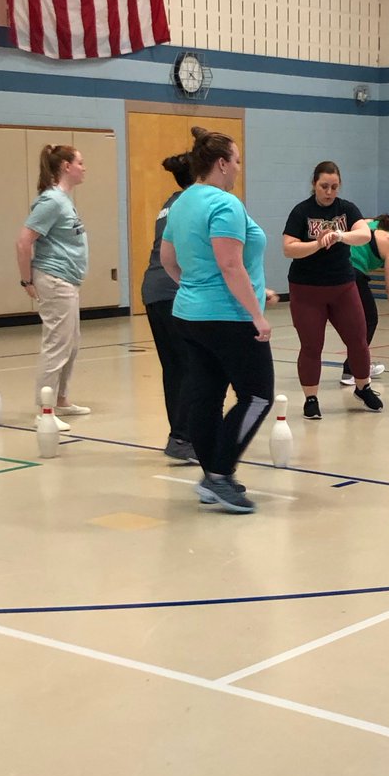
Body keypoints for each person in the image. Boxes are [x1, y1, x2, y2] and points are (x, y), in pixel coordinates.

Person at [160, 127, 275, 514]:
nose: (240, 169)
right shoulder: (225, 205)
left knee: (206, 396)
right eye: (237, 161)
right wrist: (256, 314)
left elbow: (168, 260)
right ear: (222, 163)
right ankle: (220, 475)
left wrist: (196, 289)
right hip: (230, 318)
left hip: (191, 315)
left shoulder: (181, 203)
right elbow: (229, 263)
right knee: (258, 395)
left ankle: (213, 475)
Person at [282, 161, 383, 418]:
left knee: (358, 340)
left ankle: (363, 386)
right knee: (312, 345)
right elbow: (288, 248)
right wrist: (315, 244)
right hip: (307, 289)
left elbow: (365, 235)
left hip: (342, 286)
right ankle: (311, 398)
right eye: (324, 186)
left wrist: (339, 235)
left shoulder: (346, 209)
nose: (329, 192)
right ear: (314, 184)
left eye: (334, 187)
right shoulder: (301, 211)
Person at [15, 144, 90, 430]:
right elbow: (23, 242)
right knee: (56, 345)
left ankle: (60, 400)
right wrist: (27, 279)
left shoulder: (64, 200)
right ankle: (44, 411)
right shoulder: (51, 202)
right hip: (54, 280)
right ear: (65, 167)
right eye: (80, 162)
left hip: (69, 281)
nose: (84, 168)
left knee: (71, 344)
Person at [141, 153, 196, 463]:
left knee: (175, 367)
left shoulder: (169, 202)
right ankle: (183, 436)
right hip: (174, 290)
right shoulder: (191, 204)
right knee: (191, 366)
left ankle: (180, 434)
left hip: (153, 290)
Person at [339, 208, 389, 385]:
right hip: (351, 274)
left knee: (354, 322)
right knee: (369, 319)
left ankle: (359, 364)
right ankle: (353, 369)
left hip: (333, 269)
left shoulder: (370, 222)